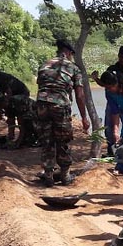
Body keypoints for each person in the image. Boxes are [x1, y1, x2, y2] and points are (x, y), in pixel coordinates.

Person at [35, 39, 89, 187]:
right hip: (59, 105)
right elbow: (80, 95)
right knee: (63, 139)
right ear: (69, 52)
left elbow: (42, 86)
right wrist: (84, 117)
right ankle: (65, 175)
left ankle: (48, 175)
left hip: (41, 104)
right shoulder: (73, 68)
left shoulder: (44, 65)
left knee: (47, 139)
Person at [91, 46, 123, 156]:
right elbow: (105, 84)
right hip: (113, 101)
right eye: (121, 57)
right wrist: (96, 79)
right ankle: (111, 151)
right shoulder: (112, 69)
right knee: (110, 127)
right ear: (118, 56)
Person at [0, 61, 37, 146]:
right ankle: (10, 136)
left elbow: (8, 91)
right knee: (10, 114)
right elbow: (3, 93)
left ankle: (22, 139)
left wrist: (8, 102)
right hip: (12, 98)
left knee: (19, 117)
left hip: (21, 95)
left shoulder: (0, 77)